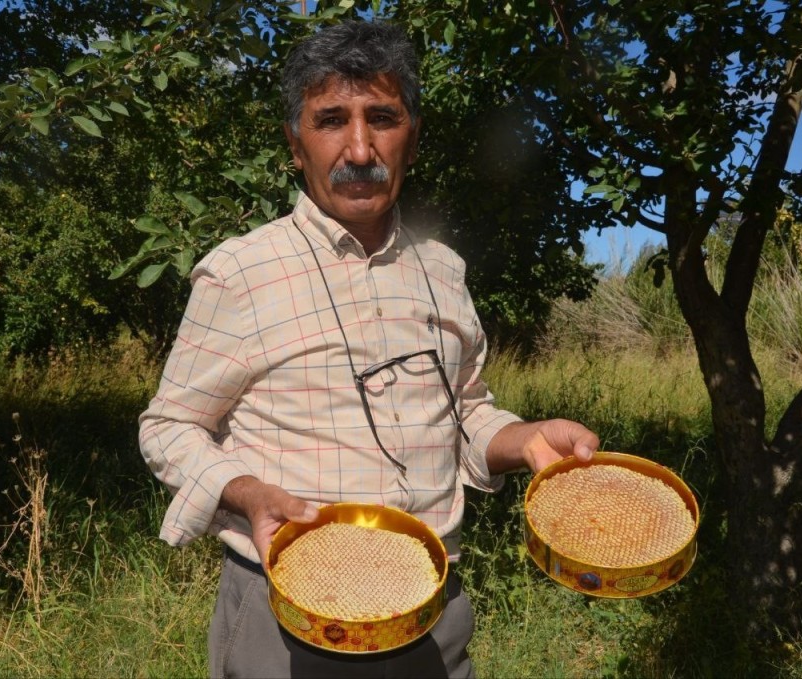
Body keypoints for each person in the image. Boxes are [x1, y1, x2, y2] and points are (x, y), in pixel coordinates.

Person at [138, 19, 599, 678]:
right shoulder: (241, 271)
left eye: (381, 117)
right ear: (294, 145)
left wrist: (525, 439)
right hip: (286, 621)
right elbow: (168, 426)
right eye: (330, 120)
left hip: (430, 614)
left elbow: (466, 415)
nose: (359, 148)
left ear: (412, 139)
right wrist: (242, 490)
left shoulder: (444, 271)